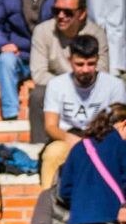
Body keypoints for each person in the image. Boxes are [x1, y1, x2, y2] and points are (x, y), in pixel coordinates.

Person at [31, 0, 112, 147]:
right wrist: (67, 84)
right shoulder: (42, 31)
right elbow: (39, 74)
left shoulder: (96, 33)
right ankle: (39, 148)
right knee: (37, 95)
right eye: (56, 11)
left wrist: (80, 77)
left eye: (67, 12)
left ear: (82, 14)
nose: (61, 16)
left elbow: (102, 70)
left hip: (90, 87)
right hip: (56, 89)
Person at [43, 38, 126, 190]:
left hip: (103, 138)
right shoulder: (56, 85)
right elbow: (50, 126)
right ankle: (49, 203)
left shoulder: (114, 85)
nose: (86, 69)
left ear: (97, 60)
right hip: (68, 137)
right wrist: (72, 140)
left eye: (91, 64)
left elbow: (119, 125)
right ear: (70, 60)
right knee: (52, 154)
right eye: (80, 64)